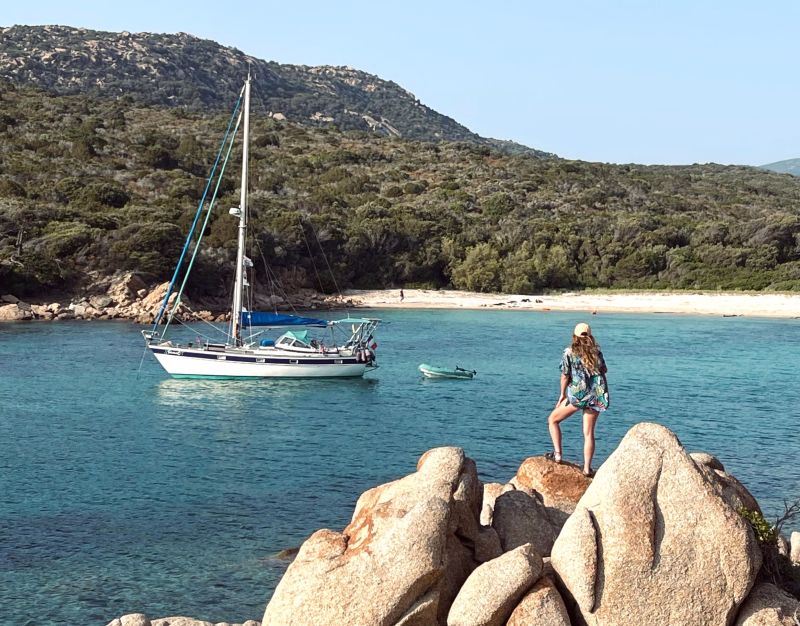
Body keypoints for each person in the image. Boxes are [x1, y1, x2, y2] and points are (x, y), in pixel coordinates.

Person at [546, 322, 609, 477]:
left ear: (574, 336)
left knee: (553, 420)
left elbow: (564, 375)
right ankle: (587, 468)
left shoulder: (569, 352)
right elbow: (603, 374)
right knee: (588, 433)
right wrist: (605, 393)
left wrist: (562, 395)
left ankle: (558, 454)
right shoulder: (597, 352)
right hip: (595, 395)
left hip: (577, 395)